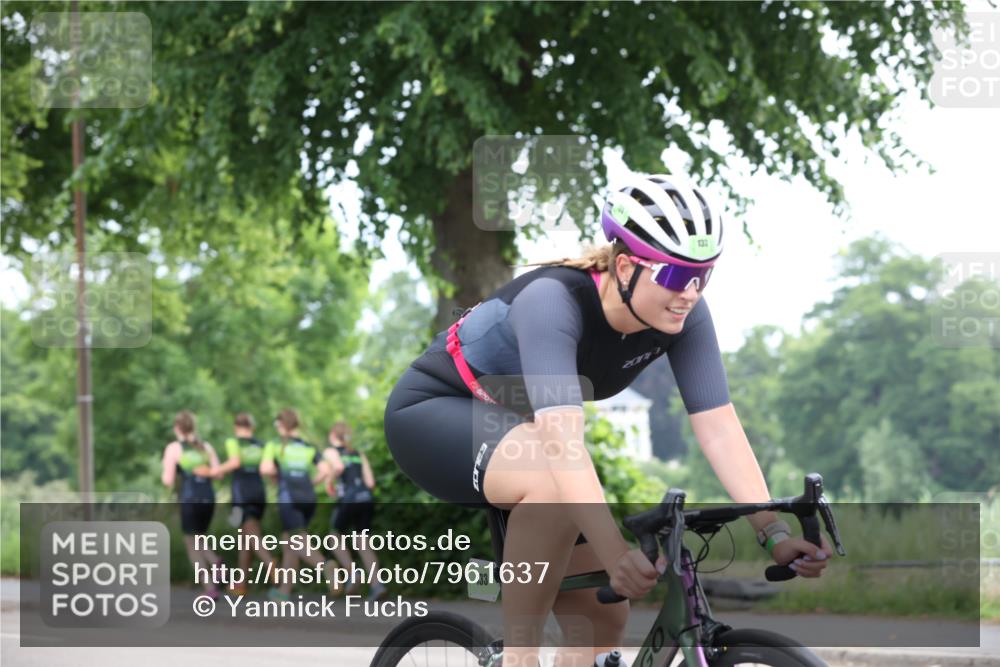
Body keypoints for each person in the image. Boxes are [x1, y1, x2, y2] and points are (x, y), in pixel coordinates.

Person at [384, 174, 833, 667]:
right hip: (435, 411)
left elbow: (720, 429)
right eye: (675, 275)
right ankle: (519, 658)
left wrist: (772, 531)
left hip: (524, 436)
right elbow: (563, 445)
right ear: (624, 266)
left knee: (602, 618)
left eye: (703, 276)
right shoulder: (553, 301)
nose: (690, 292)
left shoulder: (684, 315)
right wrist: (618, 554)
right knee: (553, 483)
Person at [260, 408, 336, 600]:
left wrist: (276, 477)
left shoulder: (275, 445)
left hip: (289, 497)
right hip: (308, 497)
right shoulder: (307, 447)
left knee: (296, 540)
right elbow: (326, 470)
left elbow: (265, 468)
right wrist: (311, 483)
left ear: (280, 424)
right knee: (290, 541)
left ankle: (325, 566)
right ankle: (284, 591)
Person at [161, 410, 223, 600]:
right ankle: (215, 562)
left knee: (191, 542)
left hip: (190, 497)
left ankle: (210, 586)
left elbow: (168, 480)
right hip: (208, 496)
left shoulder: (174, 448)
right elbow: (219, 473)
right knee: (199, 537)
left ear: (177, 428)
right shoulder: (206, 447)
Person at [213, 412, 276, 595]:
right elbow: (269, 469)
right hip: (259, 490)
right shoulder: (262, 445)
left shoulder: (233, 442)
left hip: (242, 492)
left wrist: (216, 470)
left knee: (251, 535)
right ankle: (241, 583)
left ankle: (270, 562)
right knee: (245, 538)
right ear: (252, 427)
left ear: (236, 427)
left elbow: (235, 462)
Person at [322, 421, 386, 601]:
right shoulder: (358, 454)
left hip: (348, 499)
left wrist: (329, 482)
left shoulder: (331, 451)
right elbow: (371, 483)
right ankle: (377, 585)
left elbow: (338, 467)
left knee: (334, 537)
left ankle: (353, 572)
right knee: (363, 541)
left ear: (332, 435)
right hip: (365, 498)